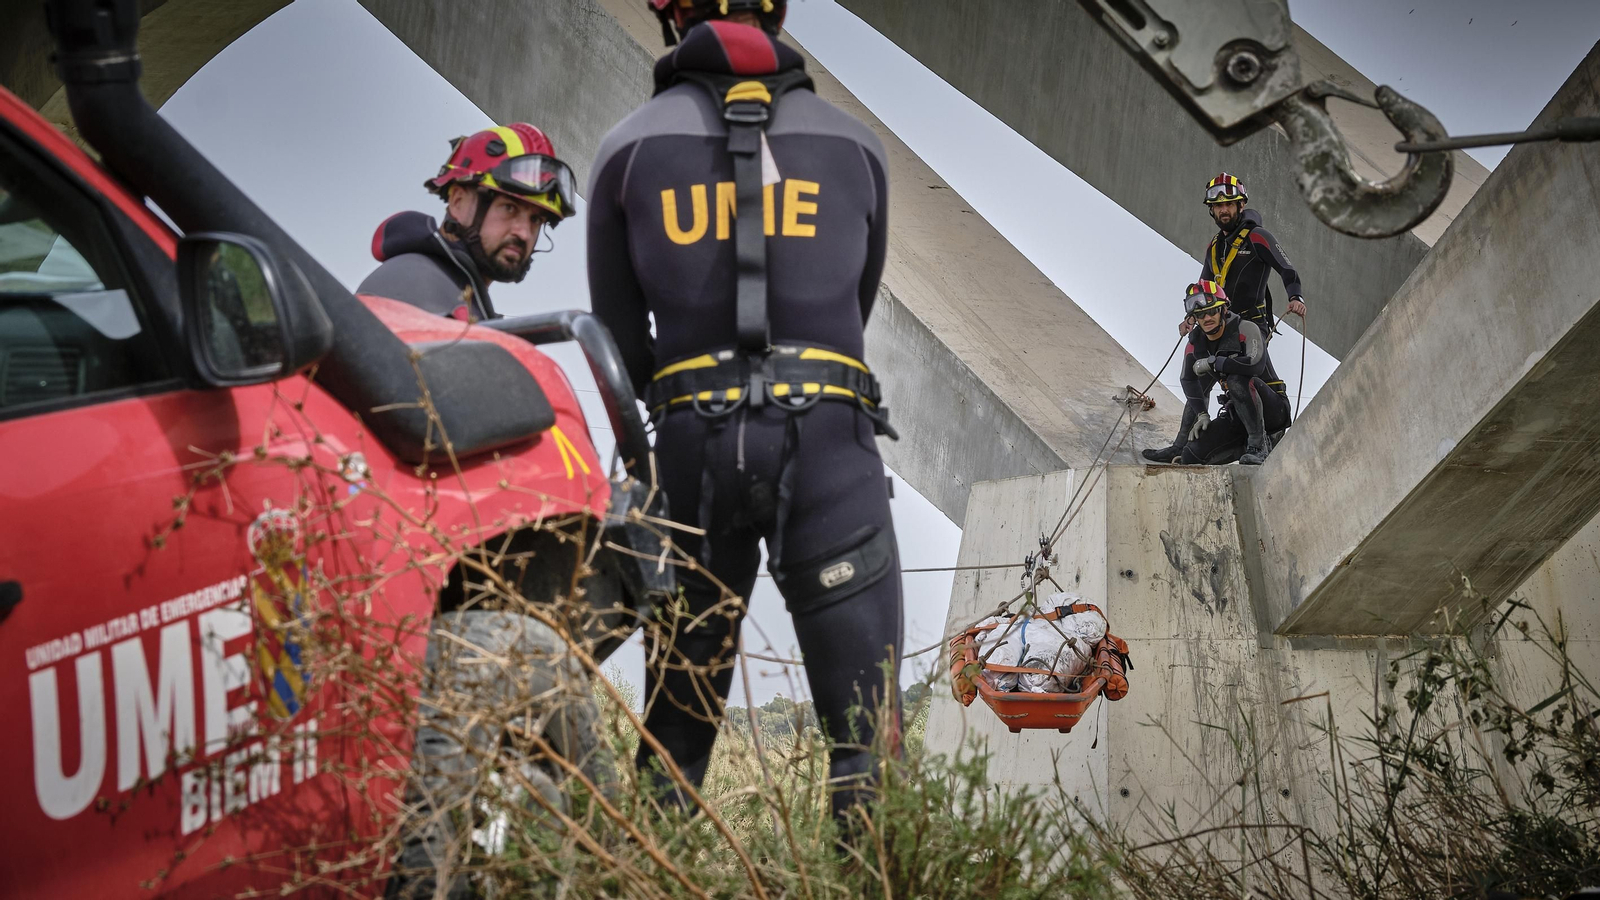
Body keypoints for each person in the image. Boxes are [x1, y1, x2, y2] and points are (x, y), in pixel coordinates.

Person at [587, 0, 902, 826]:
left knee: (677, 734)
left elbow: (618, 342)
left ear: (674, 17)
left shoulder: (625, 147)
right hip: (832, 440)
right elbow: (853, 310)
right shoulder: (858, 146)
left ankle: (651, 877)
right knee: (867, 733)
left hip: (693, 451)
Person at [359, 123, 576, 322]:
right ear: (458, 201)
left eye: (535, 219)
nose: (524, 233)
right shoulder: (412, 283)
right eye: (509, 208)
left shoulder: (456, 296)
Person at [1145, 281, 1290, 466]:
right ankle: (1185, 446)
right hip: (1239, 415)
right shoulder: (1196, 345)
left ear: (1223, 309)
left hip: (1273, 413)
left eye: (1212, 311)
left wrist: (1216, 362)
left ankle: (1259, 446)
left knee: (1236, 379)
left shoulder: (1245, 329)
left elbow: (1255, 365)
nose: (1207, 318)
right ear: (1195, 318)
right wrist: (1202, 414)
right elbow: (1188, 380)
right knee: (1191, 456)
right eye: (1201, 315)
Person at [1181, 173, 1306, 341]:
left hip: (1252, 325)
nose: (1224, 210)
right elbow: (1204, 287)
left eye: (1229, 204)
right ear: (1212, 210)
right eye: (1218, 205)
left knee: (1247, 364)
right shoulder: (1214, 246)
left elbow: (1286, 269)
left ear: (1241, 205)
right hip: (1221, 324)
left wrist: (1295, 297)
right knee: (1194, 345)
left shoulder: (1257, 237)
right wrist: (1191, 317)